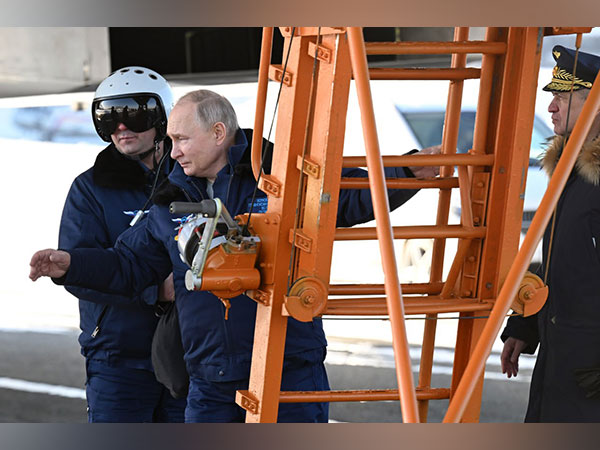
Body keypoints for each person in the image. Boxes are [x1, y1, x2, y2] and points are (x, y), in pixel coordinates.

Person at [30, 89, 439, 423]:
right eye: (170, 140)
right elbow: (130, 265)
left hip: (288, 368)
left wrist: (404, 174)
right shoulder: (169, 200)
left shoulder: (277, 176)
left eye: (182, 140)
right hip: (210, 380)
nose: (172, 153)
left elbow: (344, 197)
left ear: (219, 133)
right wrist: (72, 264)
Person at [56, 66, 186, 422]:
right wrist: (155, 291)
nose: (121, 128)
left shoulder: (193, 178)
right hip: (119, 359)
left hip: (190, 354)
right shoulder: (90, 189)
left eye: (134, 115)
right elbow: (82, 270)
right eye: (109, 118)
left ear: (162, 119)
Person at [500, 45, 600, 422]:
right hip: (561, 366)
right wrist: (526, 323)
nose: (551, 108)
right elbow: (568, 263)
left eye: (562, 97)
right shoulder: (571, 174)